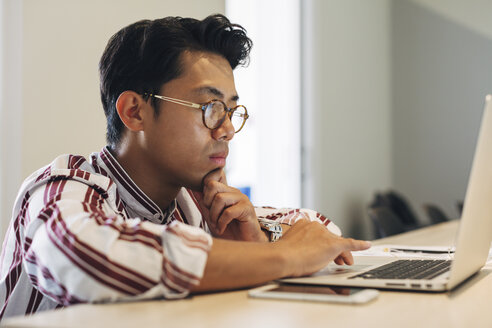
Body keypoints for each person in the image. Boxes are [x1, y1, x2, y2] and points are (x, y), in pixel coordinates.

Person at [0, 14, 370, 319]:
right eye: (210, 109)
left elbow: (322, 232)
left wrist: (255, 240)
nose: (226, 130)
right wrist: (281, 256)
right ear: (135, 111)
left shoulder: (191, 202)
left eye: (231, 111)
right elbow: (88, 257)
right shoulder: (62, 186)